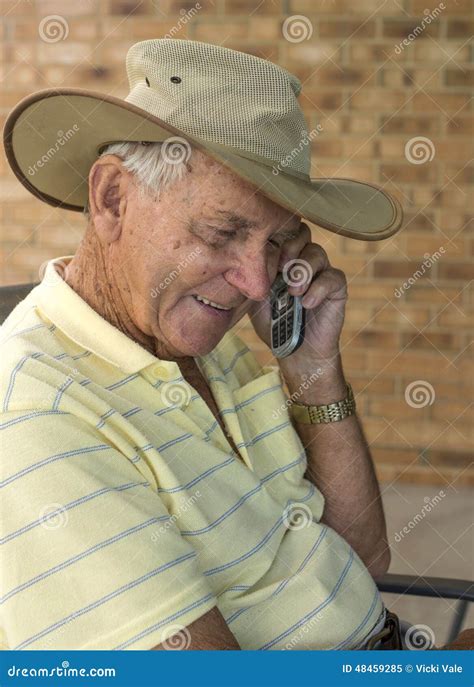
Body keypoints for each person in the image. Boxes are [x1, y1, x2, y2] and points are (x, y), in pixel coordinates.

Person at [1, 38, 468, 651]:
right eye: (223, 232)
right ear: (113, 198)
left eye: (278, 242)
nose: (255, 281)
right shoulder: (39, 412)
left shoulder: (204, 339)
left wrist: (314, 370)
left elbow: (362, 560)